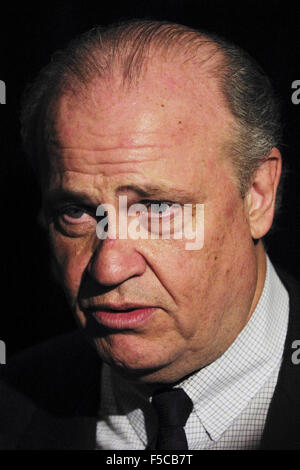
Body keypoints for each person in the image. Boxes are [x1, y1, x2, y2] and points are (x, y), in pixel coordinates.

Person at [0, 19, 299, 450]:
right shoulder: (12, 407)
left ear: (258, 195)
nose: (108, 266)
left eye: (156, 209)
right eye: (77, 212)